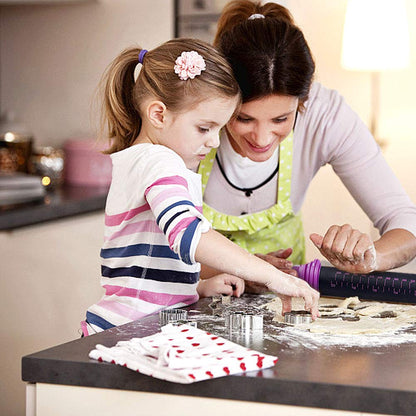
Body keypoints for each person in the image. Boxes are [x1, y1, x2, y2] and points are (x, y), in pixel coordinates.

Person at [81, 38, 319, 336]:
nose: (215, 141)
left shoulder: (152, 161)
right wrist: (271, 276)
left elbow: (148, 264)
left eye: (219, 129)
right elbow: (188, 234)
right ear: (158, 115)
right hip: (127, 331)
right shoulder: (158, 162)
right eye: (204, 128)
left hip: (140, 325)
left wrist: (196, 287)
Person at [198, 0, 416, 290]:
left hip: (283, 303)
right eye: (243, 118)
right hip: (188, 295)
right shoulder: (192, 113)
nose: (262, 138)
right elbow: (139, 240)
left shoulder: (325, 114)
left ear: (303, 102)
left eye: (280, 119)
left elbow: (405, 222)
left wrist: (373, 256)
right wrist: (241, 268)